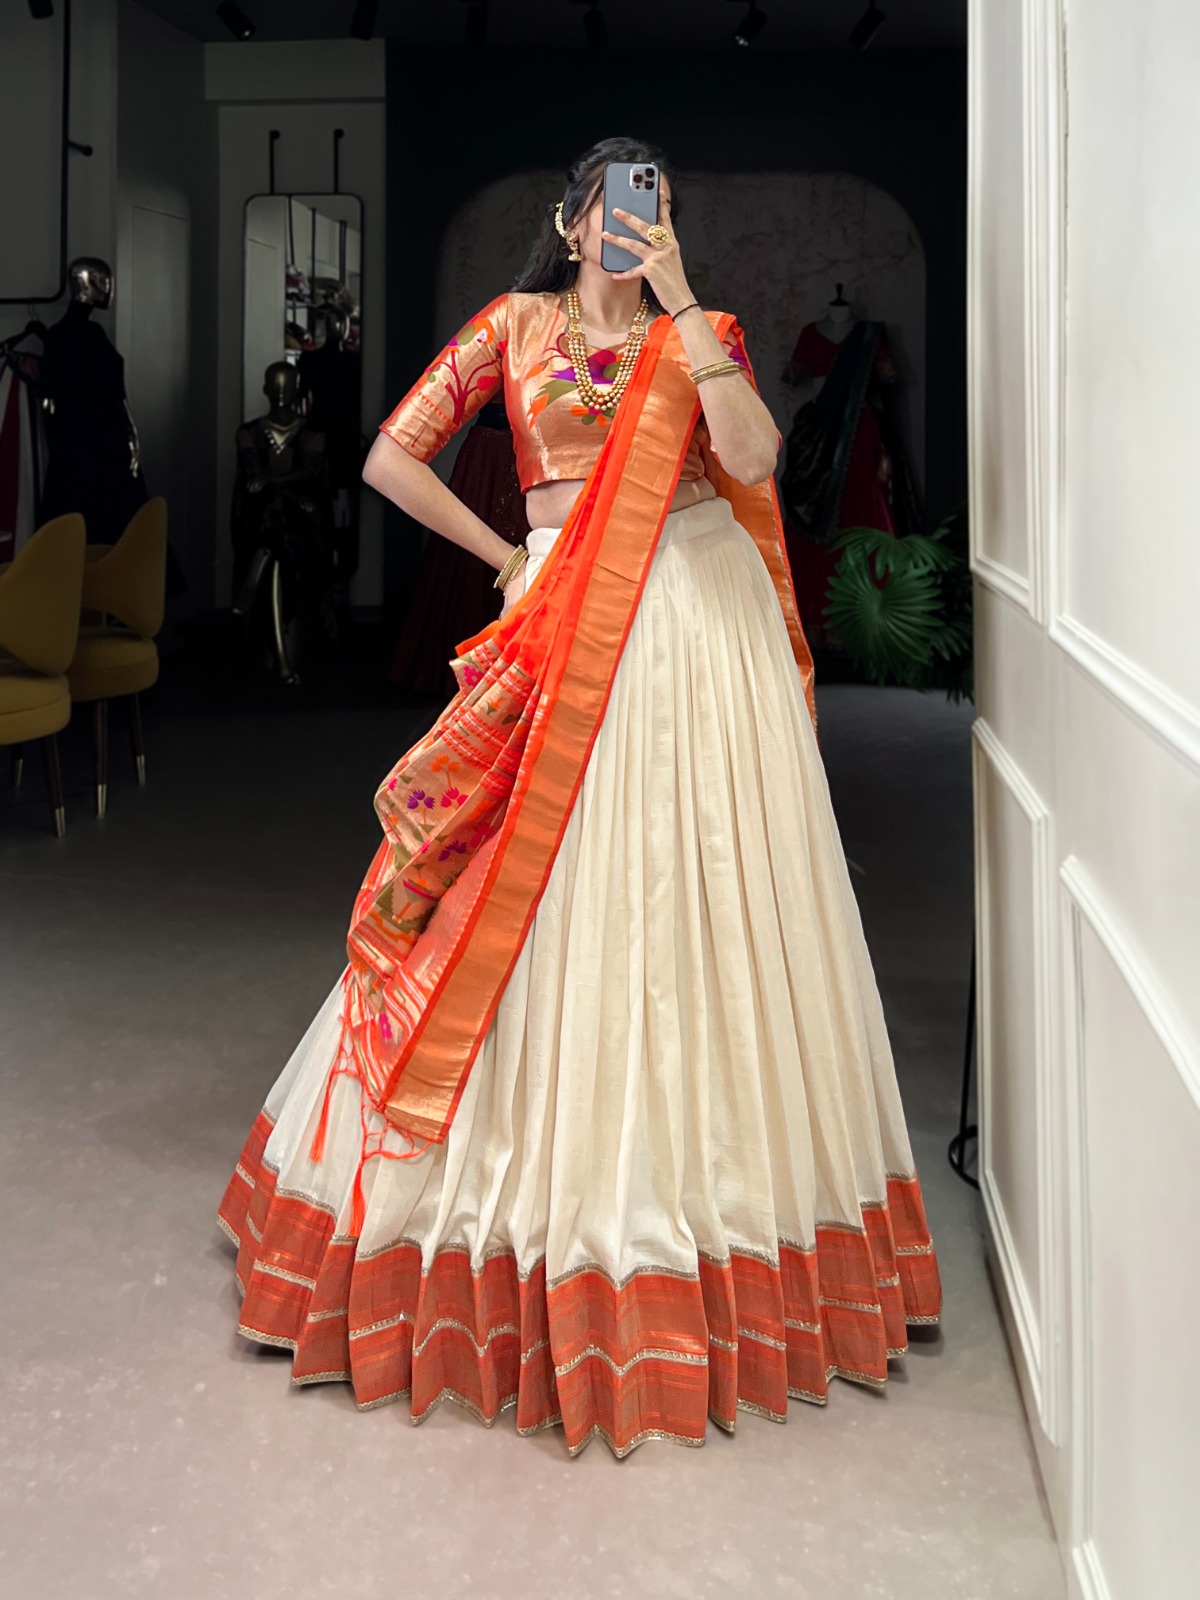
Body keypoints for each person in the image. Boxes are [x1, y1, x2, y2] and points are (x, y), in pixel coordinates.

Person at [217, 137, 942, 1459]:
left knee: (700, 885)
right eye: (615, 209)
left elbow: (753, 462)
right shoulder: (511, 328)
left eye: (655, 210)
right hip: (568, 619)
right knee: (536, 883)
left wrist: (684, 302)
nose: (632, 227)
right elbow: (390, 459)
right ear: (568, 222)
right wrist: (511, 558)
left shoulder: (697, 331)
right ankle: (528, 1195)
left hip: (698, 629)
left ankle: (708, 1213)